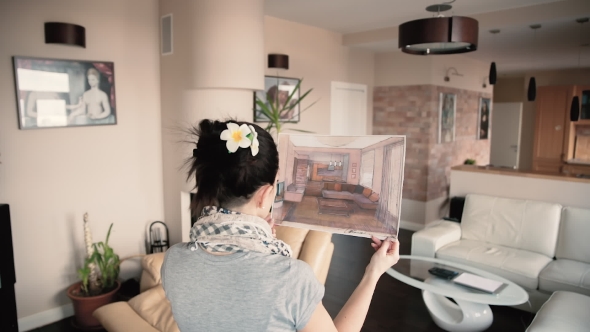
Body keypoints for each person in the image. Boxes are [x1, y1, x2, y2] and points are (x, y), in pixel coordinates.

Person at [161, 119, 400, 332]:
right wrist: (373, 273)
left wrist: (262, 243)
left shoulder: (173, 261)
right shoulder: (290, 278)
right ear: (265, 195)